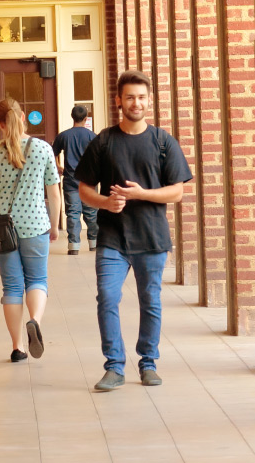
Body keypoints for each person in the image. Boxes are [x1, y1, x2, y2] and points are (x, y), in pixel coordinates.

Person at [76, 71, 193, 391]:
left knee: (150, 301)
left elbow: (177, 192)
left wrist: (141, 194)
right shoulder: (103, 140)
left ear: (149, 100)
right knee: (107, 298)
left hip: (152, 238)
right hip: (113, 238)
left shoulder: (162, 141)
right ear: (119, 101)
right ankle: (114, 366)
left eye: (141, 97)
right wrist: (104, 203)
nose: (136, 102)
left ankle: (148, 362)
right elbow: (83, 188)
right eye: (130, 97)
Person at [0, 98, 63, 363]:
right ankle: (34, 320)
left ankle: (17, 347)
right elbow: (54, 194)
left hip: (2, 230)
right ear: (23, 117)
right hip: (36, 225)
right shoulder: (44, 149)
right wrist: (55, 225)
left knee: (12, 287)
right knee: (37, 280)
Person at [53, 105, 98, 255]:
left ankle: (74, 246)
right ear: (86, 118)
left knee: (72, 213)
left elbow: (52, 153)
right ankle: (94, 243)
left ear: (72, 117)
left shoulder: (64, 136)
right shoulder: (92, 136)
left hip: (71, 180)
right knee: (92, 213)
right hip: (89, 182)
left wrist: (58, 166)